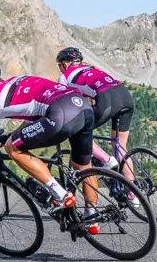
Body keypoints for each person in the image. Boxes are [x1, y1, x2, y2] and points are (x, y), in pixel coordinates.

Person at [0, 57, 101, 223]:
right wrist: (12, 134)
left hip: (60, 112)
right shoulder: (17, 81)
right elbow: (33, 115)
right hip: (83, 107)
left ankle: (60, 194)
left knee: (12, 148)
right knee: (83, 167)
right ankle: (91, 218)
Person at [54, 46, 136, 177]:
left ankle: (107, 161)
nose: (59, 68)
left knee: (77, 131)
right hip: (125, 96)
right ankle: (132, 188)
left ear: (66, 64)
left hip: (107, 100)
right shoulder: (91, 69)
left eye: (59, 65)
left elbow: (69, 103)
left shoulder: (65, 77)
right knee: (120, 146)